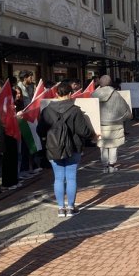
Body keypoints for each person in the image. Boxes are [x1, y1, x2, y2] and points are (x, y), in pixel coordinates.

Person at [37, 80, 97, 217]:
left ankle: (60, 208)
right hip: (74, 147)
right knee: (71, 178)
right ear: (71, 94)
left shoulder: (47, 110)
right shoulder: (75, 110)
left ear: (56, 93)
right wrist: (93, 135)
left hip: (53, 147)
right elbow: (83, 131)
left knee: (58, 178)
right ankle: (70, 207)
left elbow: (40, 131)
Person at [92, 75, 132, 173]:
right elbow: (124, 109)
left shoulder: (94, 95)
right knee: (113, 145)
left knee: (102, 145)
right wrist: (128, 116)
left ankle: (105, 166)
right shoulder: (116, 95)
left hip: (100, 124)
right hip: (115, 124)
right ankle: (111, 165)